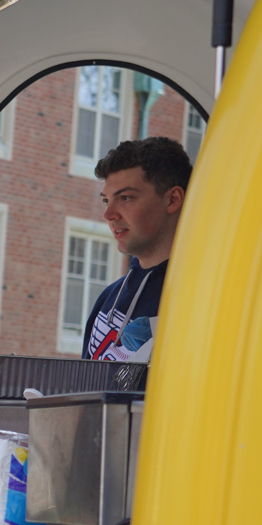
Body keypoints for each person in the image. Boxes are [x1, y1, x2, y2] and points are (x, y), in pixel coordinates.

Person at [83, 136, 191, 362]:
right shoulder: (108, 299)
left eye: (125, 198)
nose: (108, 214)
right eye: (106, 201)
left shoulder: (200, 298)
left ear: (173, 199)